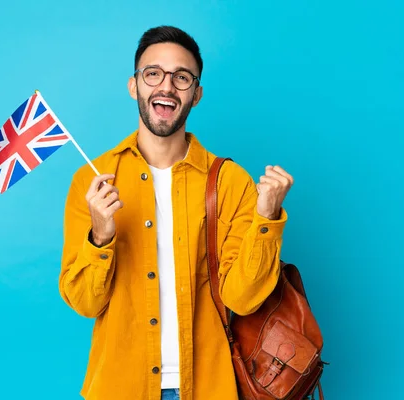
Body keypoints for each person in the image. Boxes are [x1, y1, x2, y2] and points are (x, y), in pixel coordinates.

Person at [58, 25, 294, 400]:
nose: (166, 86)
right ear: (134, 86)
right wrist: (100, 237)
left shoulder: (229, 182)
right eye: (153, 73)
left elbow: (242, 299)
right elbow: (87, 304)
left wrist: (266, 219)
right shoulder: (94, 181)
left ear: (196, 95)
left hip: (206, 387)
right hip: (120, 388)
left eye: (181, 77)